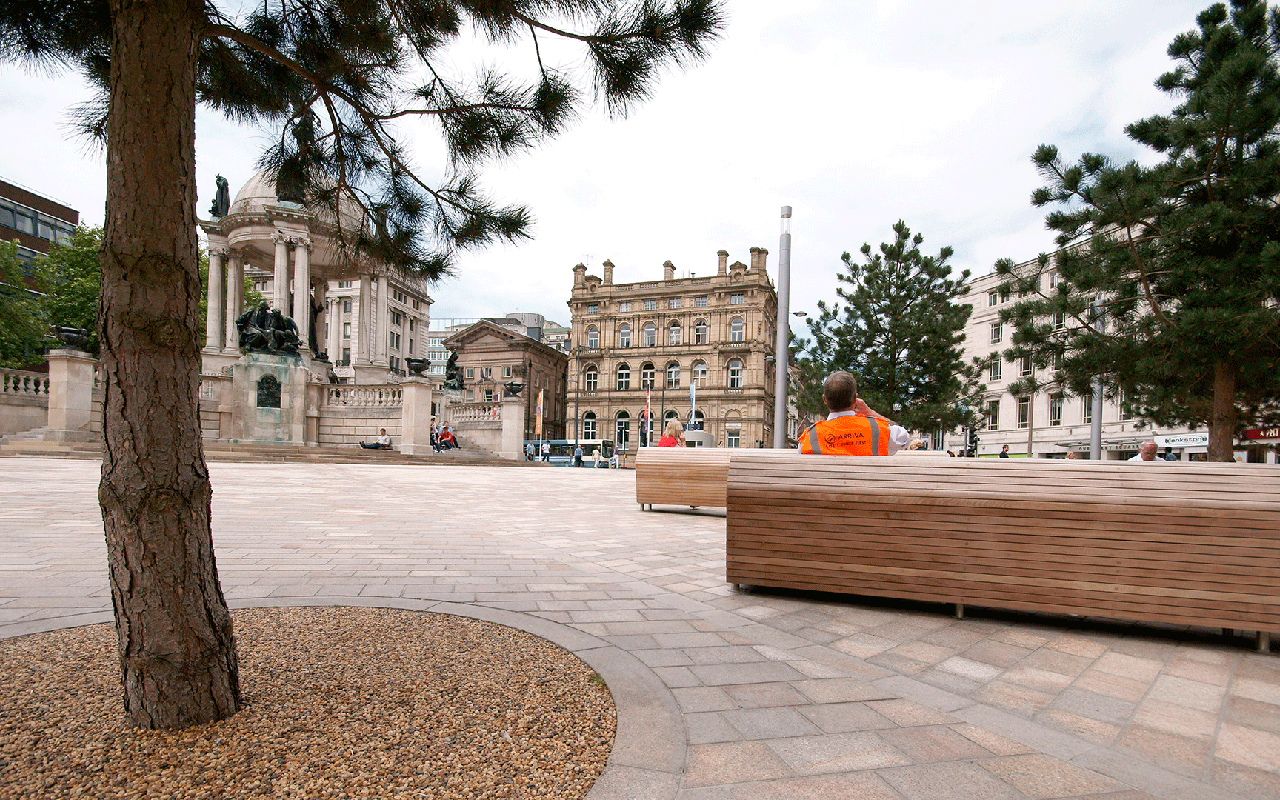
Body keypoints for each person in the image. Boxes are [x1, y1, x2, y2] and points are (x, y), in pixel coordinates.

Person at [798, 371, 910, 456]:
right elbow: (905, 439)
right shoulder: (878, 429)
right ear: (855, 398)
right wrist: (870, 413)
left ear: (825, 400)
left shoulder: (810, 437)